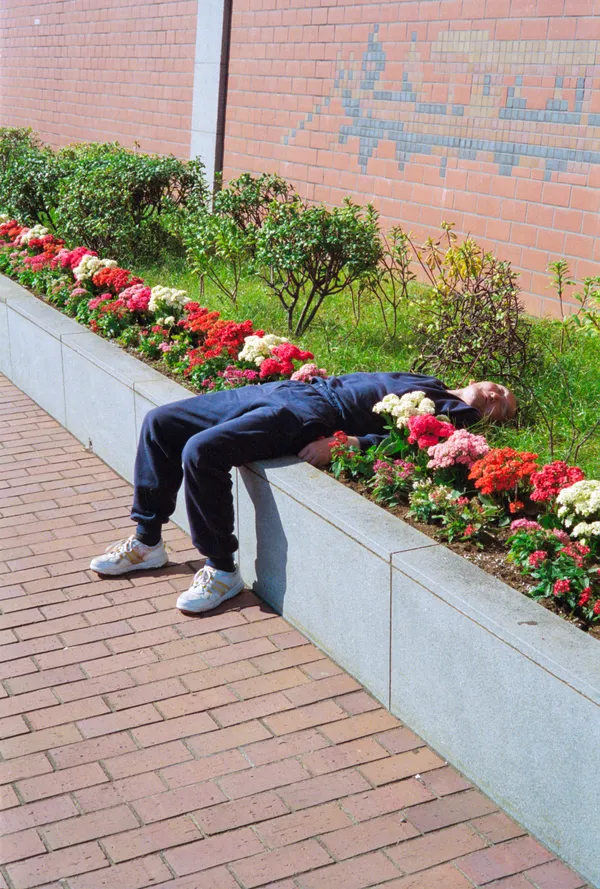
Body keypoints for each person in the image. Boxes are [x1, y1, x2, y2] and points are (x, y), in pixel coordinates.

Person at [90, 372, 517, 613]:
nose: (496, 396)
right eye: (498, 388)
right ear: (475, 378)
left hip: (309, 414)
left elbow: (411, 443)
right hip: (291, 390)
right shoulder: (430, 380)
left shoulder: (454, 414)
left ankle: (221, 570)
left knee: (202, 452)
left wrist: (351, 443)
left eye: (502, 406)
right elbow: (370, 387)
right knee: (160, 422)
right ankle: (147, 542)